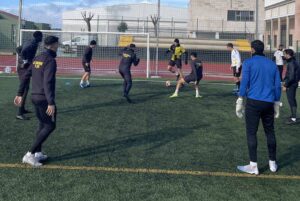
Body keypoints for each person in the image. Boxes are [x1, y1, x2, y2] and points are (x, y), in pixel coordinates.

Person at [236, 40, 282, 175]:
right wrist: (277, 102)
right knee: (270, 132)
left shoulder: (248, 62)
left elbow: (244, 83)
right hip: (268, 102)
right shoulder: (272, 64)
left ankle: (253, 165)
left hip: (254, 102)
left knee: (251, 133)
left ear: (252, 50)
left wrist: (240, 99)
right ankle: (272, 163)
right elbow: (277, 85)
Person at [14, 36, 59, 167]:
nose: (58, 45)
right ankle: (29, 154)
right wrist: (51, 102)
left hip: (34, 97)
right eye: (57, 44)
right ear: (54, 45)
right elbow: (48, 82)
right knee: (50, 126)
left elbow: (25, 76)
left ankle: (38, 153)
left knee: (42, 123)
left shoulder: (37, 58)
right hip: (44, 98)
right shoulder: (50, 60)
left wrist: (19, 93)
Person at [15, 31, 43, 120]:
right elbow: (22, 51)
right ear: (38, 37)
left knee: (26, 88)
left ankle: (22, 109)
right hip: (23, 68)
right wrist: (25, 61)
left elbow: (18, 49)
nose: (42, 38)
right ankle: (19, 113)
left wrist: (23, 59)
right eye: (41, 36)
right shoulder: (32, 43)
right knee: (24, 89)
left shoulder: (31, 41)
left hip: (24, 67)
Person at [282, 49, 300, 125]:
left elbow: (291, 76)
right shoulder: (294, 61)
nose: (284, 56)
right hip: (294, 83)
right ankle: (293, 116)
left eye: (285, 54)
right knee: (292, 100)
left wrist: (285, 85)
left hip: (291, 84)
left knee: (291, 100)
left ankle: (293, 118)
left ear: (288, 54)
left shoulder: (292, 63)